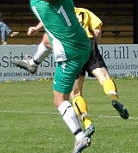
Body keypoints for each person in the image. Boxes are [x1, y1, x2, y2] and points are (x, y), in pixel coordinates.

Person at [14, 7, 130, 139]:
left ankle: (87, 123)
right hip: (88, 44)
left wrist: (37, 28)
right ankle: (113, 98)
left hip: (71, 48)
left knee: (76, 93)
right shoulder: (85, 12)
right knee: (104, 77)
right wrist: (94, 46)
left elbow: (48, 24)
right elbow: (97, 30)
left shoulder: (60, 12)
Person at [25, 0, 92, 153]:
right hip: (83, 46)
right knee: (47, 38)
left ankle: (80, 136)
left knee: (60, 100)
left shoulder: (39, 6)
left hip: (68, 56)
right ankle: (33, 64)